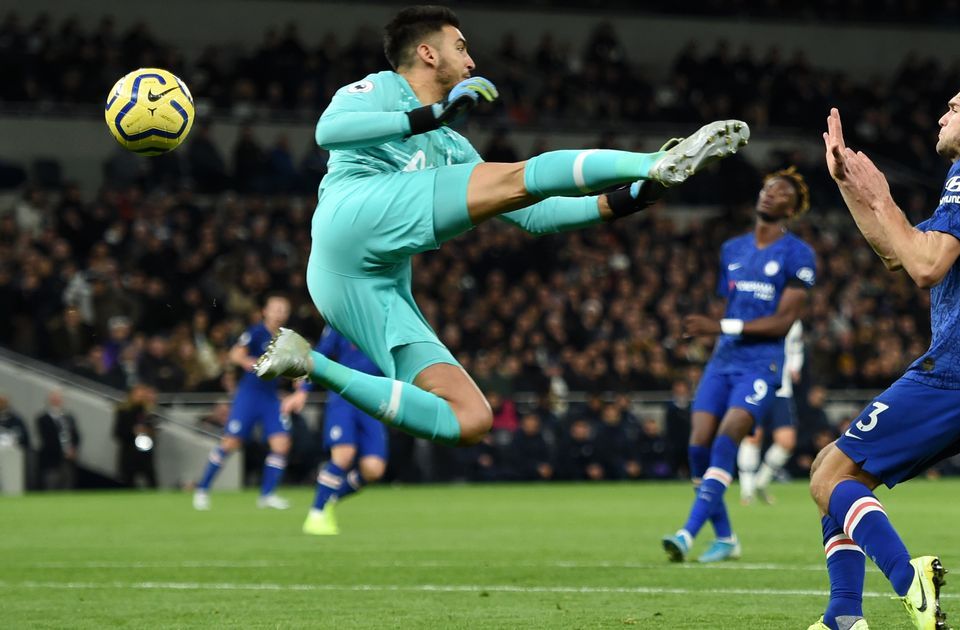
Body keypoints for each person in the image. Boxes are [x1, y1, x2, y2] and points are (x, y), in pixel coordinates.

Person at [253, 6, 748, 452]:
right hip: (347, 221)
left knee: (470, 418)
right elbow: (327, 133)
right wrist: (431, 115)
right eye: (461, 47)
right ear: (426, 53)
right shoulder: (382, 88)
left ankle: (308, 362)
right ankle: (655, 159)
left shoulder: (454, 146)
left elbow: (533, 215)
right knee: (517, 173)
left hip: (357, 284)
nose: (471, 62)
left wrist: (628, 201)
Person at [807, 67, 960, 630]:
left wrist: (880, 192)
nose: (942, 115)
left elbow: (926, 267)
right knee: (837, 476)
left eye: (955, 106)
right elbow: (898, 252)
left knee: (825, 479)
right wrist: (849, 185)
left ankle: (912, 584)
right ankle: (843, 616)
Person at [661, 166, 816, 563]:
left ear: (793, 207)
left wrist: (719, 326)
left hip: (761, 364)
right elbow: (730, 303)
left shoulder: (799, 255)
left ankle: (687, 533)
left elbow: (783, 322)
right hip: (723, 360)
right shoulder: (732, 249)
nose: (769, 194)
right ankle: (727, 538)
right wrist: (717, 331)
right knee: (697, 445)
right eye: (766, 188)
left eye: (780, 192)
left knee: (729, 435)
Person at [193, 294, 308, 510]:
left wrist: (300, 390)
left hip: (270, 397)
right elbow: (235, 354)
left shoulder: (289, 340)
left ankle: (267, 495)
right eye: (275, 308)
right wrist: (252, 362)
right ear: (265, 311)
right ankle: (202, 489)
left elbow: (299, 369)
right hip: (249, 394)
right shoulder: (256, 332)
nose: (279, 313)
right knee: (230, 443)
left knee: (281, 443)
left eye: (283, 309)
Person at [303, 327, 389, 535]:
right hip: (344, 395)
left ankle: (329, 499)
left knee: (373, 469)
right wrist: (304, 390)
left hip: (373, 398)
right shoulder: (340, 319)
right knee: (344, 455)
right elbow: (320, 353)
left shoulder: (386, 321)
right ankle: (315, 515)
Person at [737, 320, 803, 505]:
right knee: (753, 436)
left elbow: (796, 347)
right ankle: (747, 490)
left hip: (782, 389)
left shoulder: (794, 320)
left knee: (787, 442)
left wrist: (796, 367)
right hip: (756, 383)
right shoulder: (759, 312)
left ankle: (761, 481)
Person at [113, 383, 158, 488]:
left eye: (142, 394)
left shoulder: (147, 412)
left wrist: (147, 432)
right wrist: (132, 431)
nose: (140, 397)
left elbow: (154, 434)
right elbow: (117, 433)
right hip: (129, 454)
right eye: (138, 394)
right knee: (128, 484)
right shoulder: (123, 412)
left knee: (152, 482)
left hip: (145, 455)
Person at [36, 389, 81, 490]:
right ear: (49, 401)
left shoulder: (69, 417)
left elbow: (76, 436)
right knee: (51, 488)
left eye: (58, 399)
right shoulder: (43, 419)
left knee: (67, 487)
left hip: (68, 462)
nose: (57, 401)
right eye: (54, 399)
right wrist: (64, 452)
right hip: (51, 461)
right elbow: (47, 440)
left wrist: (73, 449)